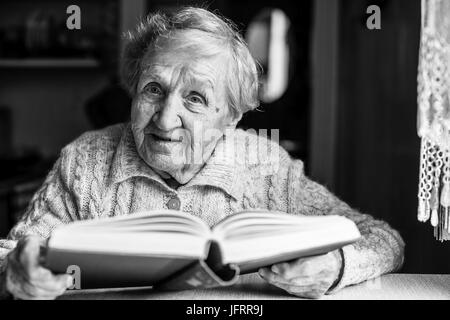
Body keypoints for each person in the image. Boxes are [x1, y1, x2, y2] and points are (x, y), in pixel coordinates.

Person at [0, 7, 404, 300]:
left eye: (195, 98)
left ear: (229, 118)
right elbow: (11, 254)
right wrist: (16, 272)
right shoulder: (85, 161)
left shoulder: (266, 169)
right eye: (153, 89)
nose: (165, 117)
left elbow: (384, 240)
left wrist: (336, 268)